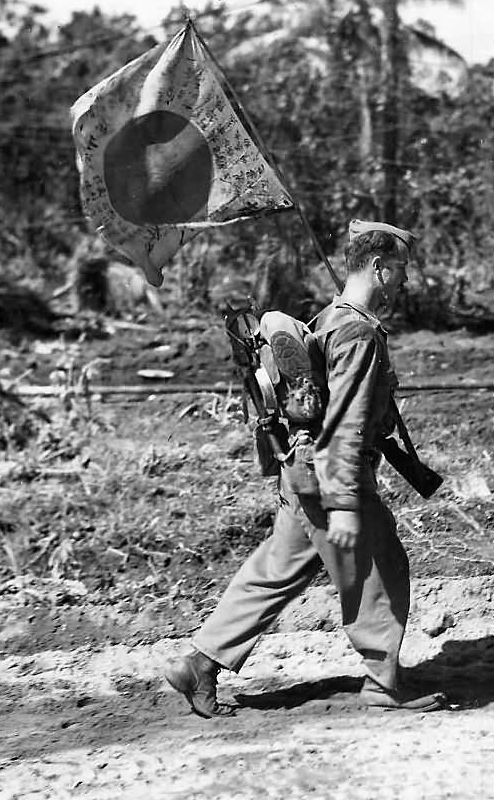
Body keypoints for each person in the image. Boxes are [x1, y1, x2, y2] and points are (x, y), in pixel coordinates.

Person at [164, 219, 446, 715]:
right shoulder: (357, 333)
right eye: (401, 270)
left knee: (279, 568)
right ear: (378, 269)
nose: (405, 281)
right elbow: (347, 422)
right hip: (331, 476)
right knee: (382, 568)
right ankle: (384, 683)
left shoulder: (329, 318)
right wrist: (342, 504)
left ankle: (200, 663)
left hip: (300, 468)